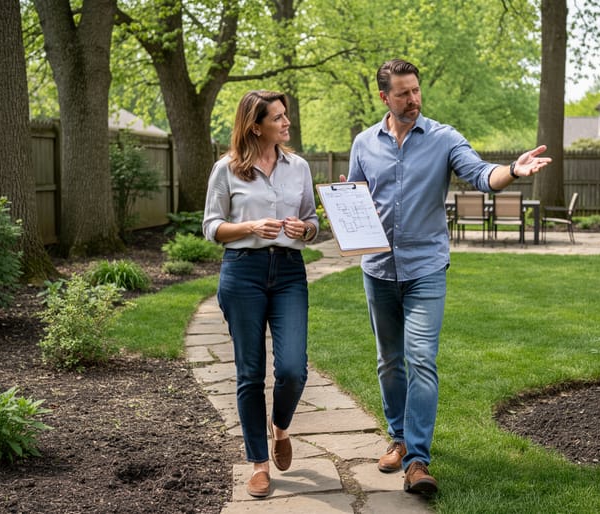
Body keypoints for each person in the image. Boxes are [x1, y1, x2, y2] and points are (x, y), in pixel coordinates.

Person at [342, 59, 550, 495]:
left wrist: (512, 170)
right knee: (389, 362)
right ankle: (397, 438)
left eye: (416, 90)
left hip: (425, 270)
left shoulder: (443, 138)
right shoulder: (364, 143)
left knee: (420, 359)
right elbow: (356, 200)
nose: (413, 99)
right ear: (384, 97)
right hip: (378, 271)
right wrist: (345, 204)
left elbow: (480, 174)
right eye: (403, 93)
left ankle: (418, 460)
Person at [202, 90, 319, 498]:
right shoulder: (227, 169)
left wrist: (304, 229)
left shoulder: (299, 166)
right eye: (279, 118)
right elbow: (212, 227)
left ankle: (280, 427)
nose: (288, 123)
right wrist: (251, 227)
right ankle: (258, 464)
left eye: (286, 117)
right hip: (243, 273)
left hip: (289, 272)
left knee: (292, 368)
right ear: (256, 126)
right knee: (250, 374)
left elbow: (312, 220)